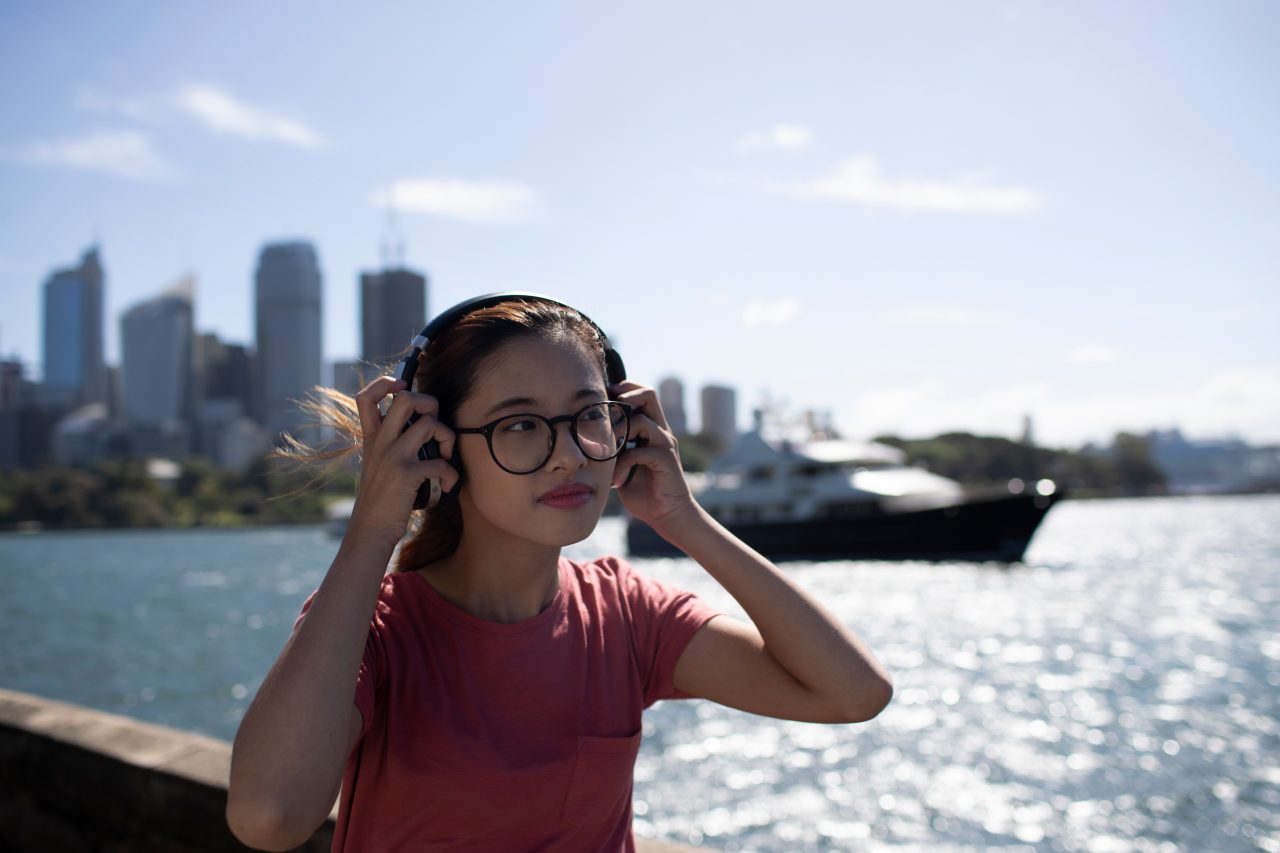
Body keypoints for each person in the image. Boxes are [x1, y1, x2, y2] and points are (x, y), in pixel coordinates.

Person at [226, 294, 892, 852]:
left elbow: (852, 693)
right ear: (435, 446)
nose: (569, 454)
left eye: (589, 416)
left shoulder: (627, 613)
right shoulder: (378, 629)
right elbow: (269, 816)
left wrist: (684, 519)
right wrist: (373, 529)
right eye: (520, 424)